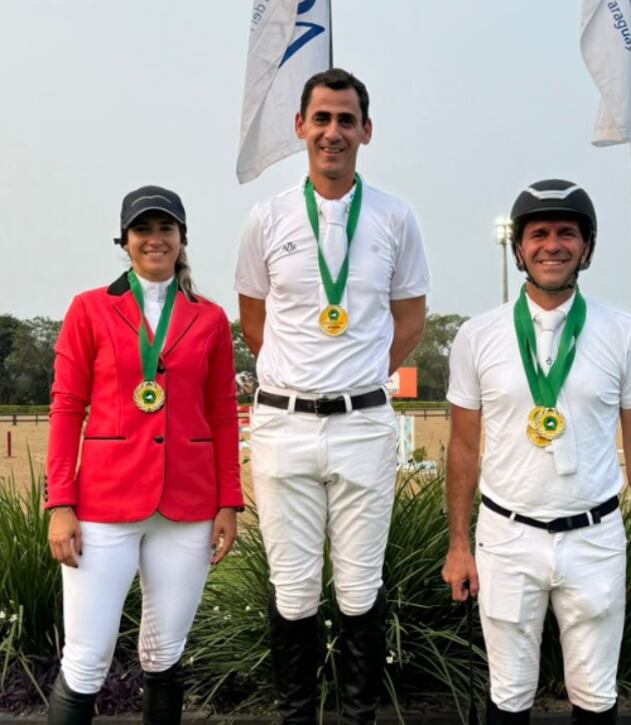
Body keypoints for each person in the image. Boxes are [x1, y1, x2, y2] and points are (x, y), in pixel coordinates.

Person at [236, 68, 429, 723]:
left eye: (346, 120)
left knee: (357, 588)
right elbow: (255, 318)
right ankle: (296, 715)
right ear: (300, 128)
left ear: (366, 131)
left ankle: (358, 716)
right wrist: (302, 374)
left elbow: (411, 316)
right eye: (321, 119)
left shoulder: (396, 216)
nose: (333, 132)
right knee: (292, 592)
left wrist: (362, 369)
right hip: (284, 425)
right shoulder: (267, 217)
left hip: (363, 424)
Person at [442, 179, 631, 724]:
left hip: (594, 537)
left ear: (586, 247)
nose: (553, 245)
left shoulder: (623, 332)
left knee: (595, 696)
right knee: (509, 696)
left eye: (567, 233)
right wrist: (458, 543)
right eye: (538, 233)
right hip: (507, 537)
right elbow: (463, 447)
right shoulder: (478, 335)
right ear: (518, 248)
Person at [45, 185, 243, 724]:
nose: (155, 240)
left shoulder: (210, 318)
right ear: (125, 241)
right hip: (104, 506)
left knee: (165, 655)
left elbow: (224, 413)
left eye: (165, 229)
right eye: (143, 230)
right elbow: (66, 409)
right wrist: (59, 503)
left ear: (182, 239)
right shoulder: (89, 309)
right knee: (86, 660)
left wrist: (230, 501)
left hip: (188, 507)